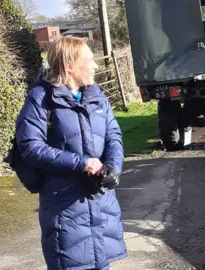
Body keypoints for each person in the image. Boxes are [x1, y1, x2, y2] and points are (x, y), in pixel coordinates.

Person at [15, 36, 127, 269]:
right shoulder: (41, 98)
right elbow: (30, 146)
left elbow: (113, 136)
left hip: (102, 208)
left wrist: (113, 167)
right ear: (69, 66)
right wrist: (82, 163)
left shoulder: (97, 97)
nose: (95, 65)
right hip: (65, 213)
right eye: (89, 60)